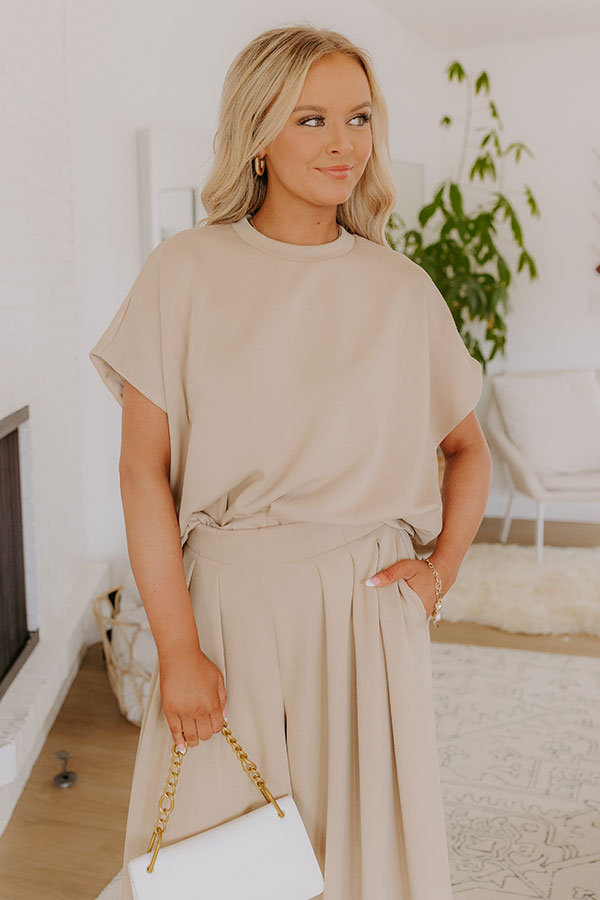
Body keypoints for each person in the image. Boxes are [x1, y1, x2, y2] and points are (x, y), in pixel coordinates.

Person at [89, 23, 492, 900]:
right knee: (219, 862)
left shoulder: (401, 289)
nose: (344, 143)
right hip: (226, 613)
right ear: (258, 136)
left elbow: (467, 450)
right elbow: (140, 474)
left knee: (364, 864)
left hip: (367, 616)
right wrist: (178, 647)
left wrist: (440, 573)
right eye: (311, 120)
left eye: (359, 118)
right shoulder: (183, 271)